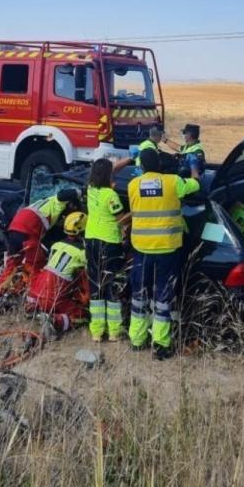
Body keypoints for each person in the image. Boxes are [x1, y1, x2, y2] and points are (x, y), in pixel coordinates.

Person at [127, 148, 200, 359]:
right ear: (159, 164)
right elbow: (195, 185)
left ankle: (137, 339)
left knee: (139, 295)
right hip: (168, 248)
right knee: (162, 296)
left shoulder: (133, 185)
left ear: (141, 166)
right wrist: (194, 168)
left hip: (141, 248)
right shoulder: (173, 181)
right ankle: (160, 345)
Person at [0, 188, 80, 308]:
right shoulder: (57, 202)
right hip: (28, 231)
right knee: (36, 267)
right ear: (70, 203)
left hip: (15, 229)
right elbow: (62, 194)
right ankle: (32, 305)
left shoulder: (43, 203)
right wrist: (82, 190)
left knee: (11, 267)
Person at [85, 159, 129, 342]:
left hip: (91, 241)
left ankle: (96, 331)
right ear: (107, 176)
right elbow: (121, 220)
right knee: (112, 285)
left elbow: (109, 169)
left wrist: (129, 159)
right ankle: (114, 332)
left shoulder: (90, 189)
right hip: (110, 243)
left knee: (96, 285)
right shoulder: (111, 196)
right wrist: (138, 210)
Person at [26, 212, 90, 335]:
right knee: (82, 315)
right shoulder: (81, 253)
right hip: (53, 295)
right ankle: (55, 321)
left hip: (35, 291)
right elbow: (88, 274)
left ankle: (35, 310)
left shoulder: (56, 245)